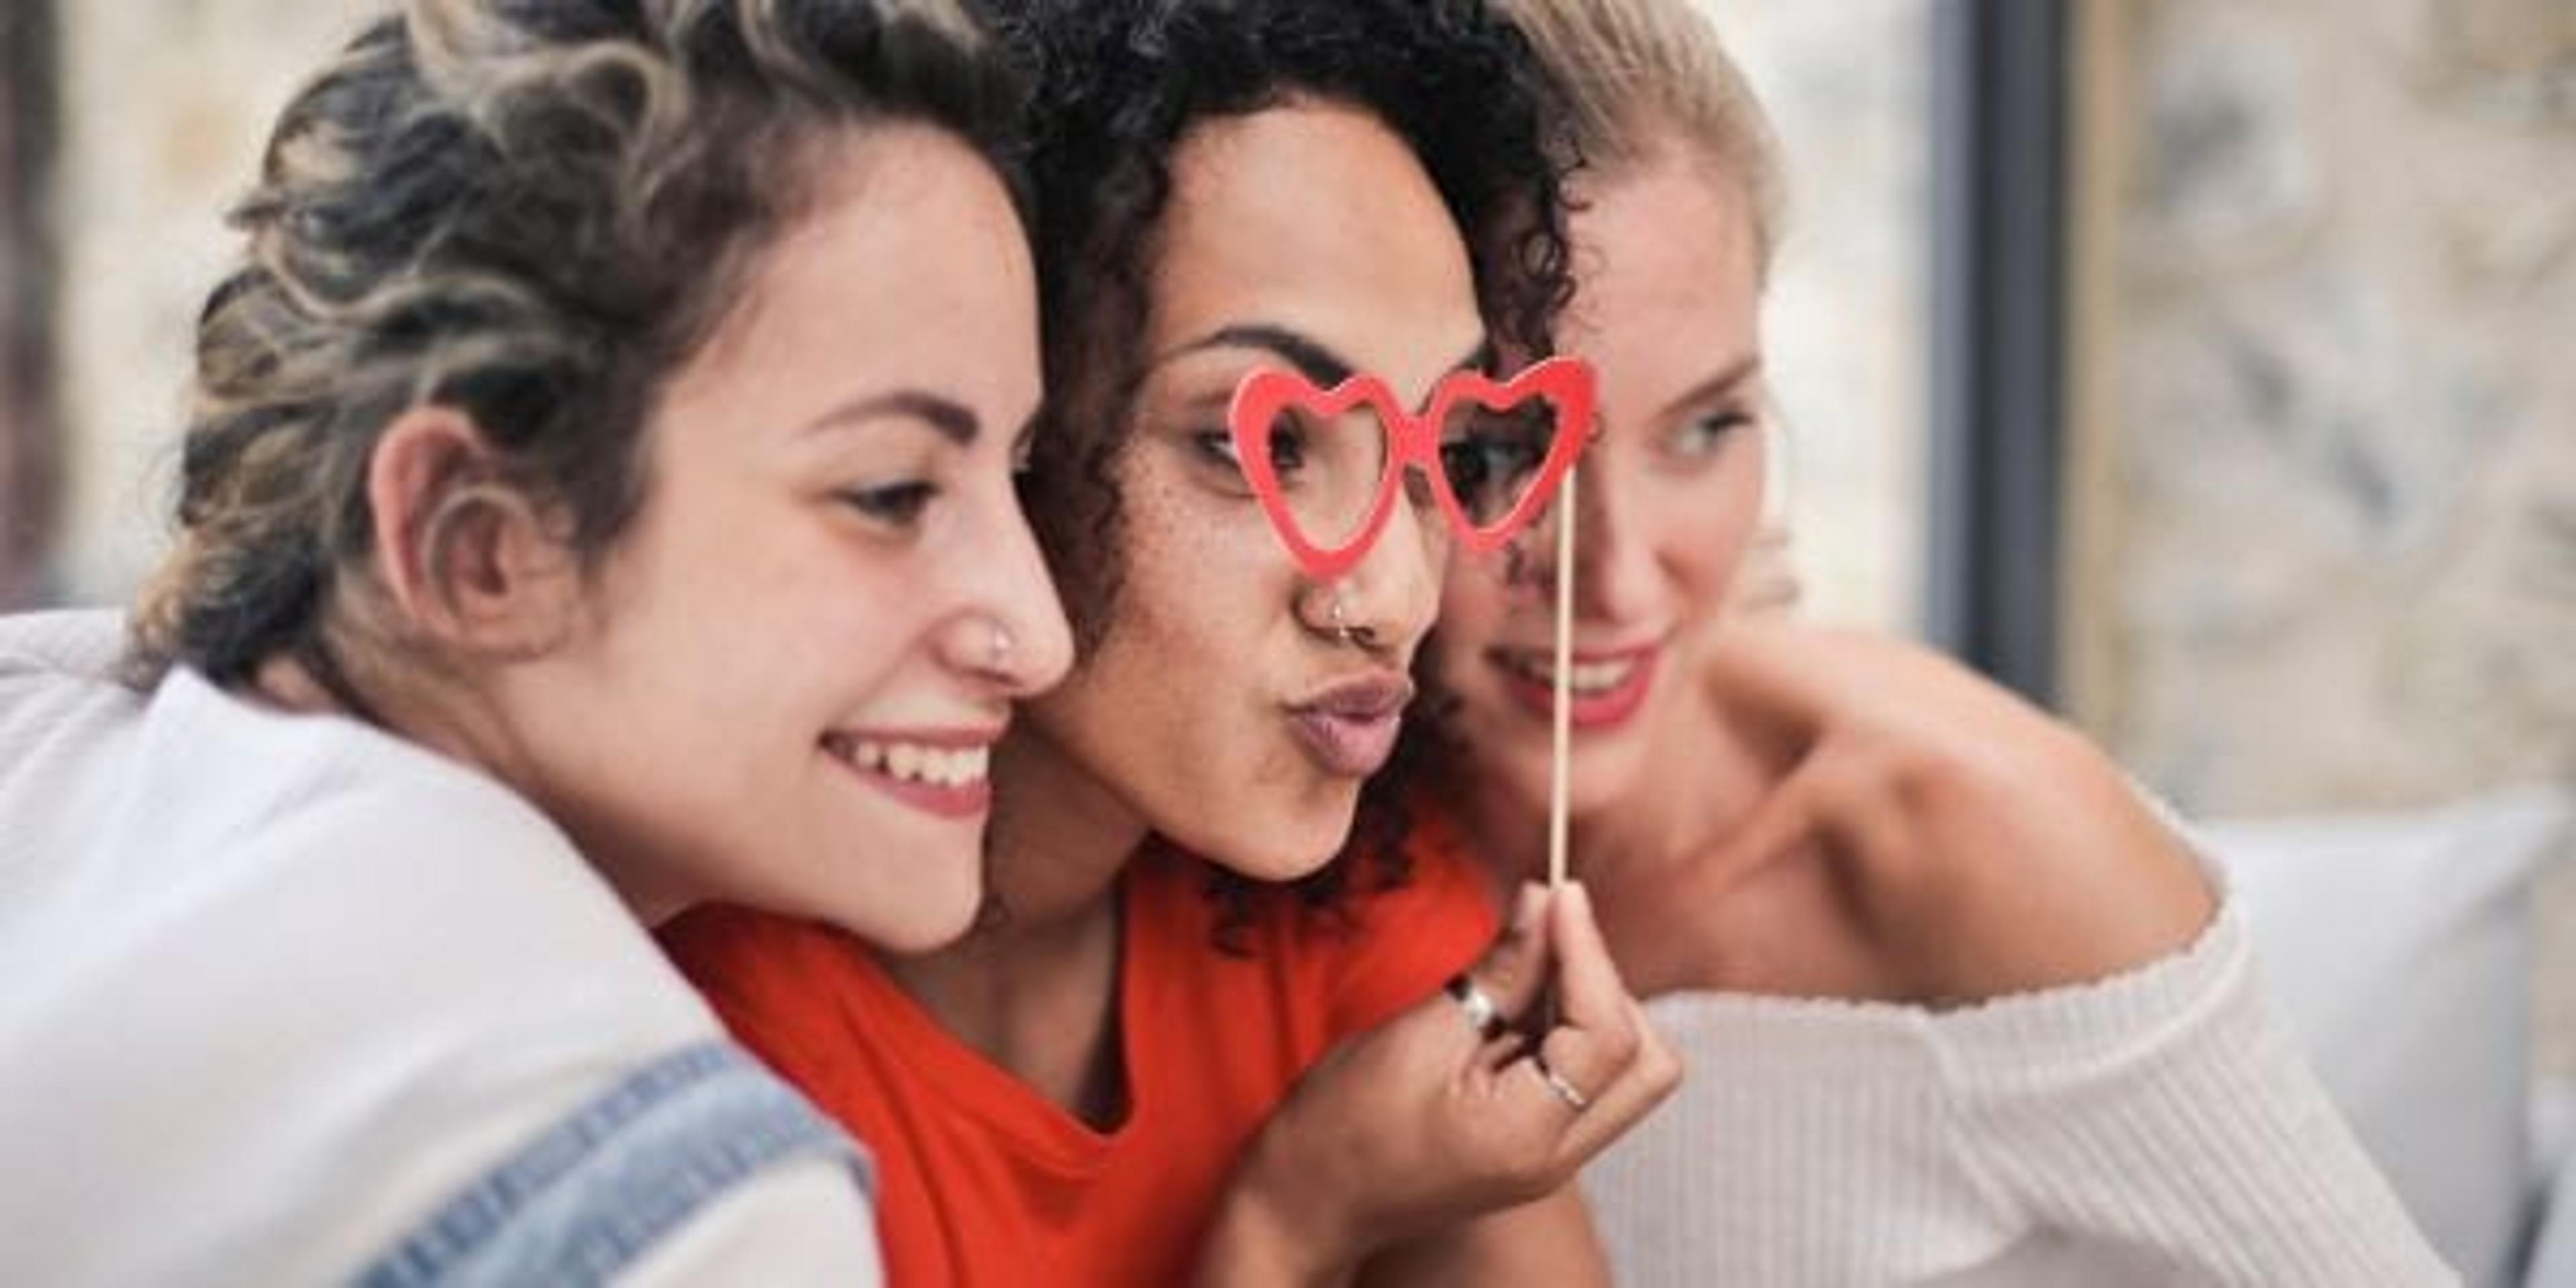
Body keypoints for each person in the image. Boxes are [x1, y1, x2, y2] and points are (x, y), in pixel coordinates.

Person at [0, 0, 1073, 1281]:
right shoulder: (686, 1207)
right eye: (891, 494)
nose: (1037, 635)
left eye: (1021, 473)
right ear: (478, 542)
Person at [1422, 0, 2458, 1282]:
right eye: (1500, 452)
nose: (1623, 579)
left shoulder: (1975, 839)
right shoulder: (1283, 856)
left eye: (1706, 428)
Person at [661, 0, 1677, 1281]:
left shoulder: (1341, 892)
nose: (1395, 593)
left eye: (1444, 449)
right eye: (1264, 445)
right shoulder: (708, 1053)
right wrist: (1297, 1213)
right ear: (1003, 425)